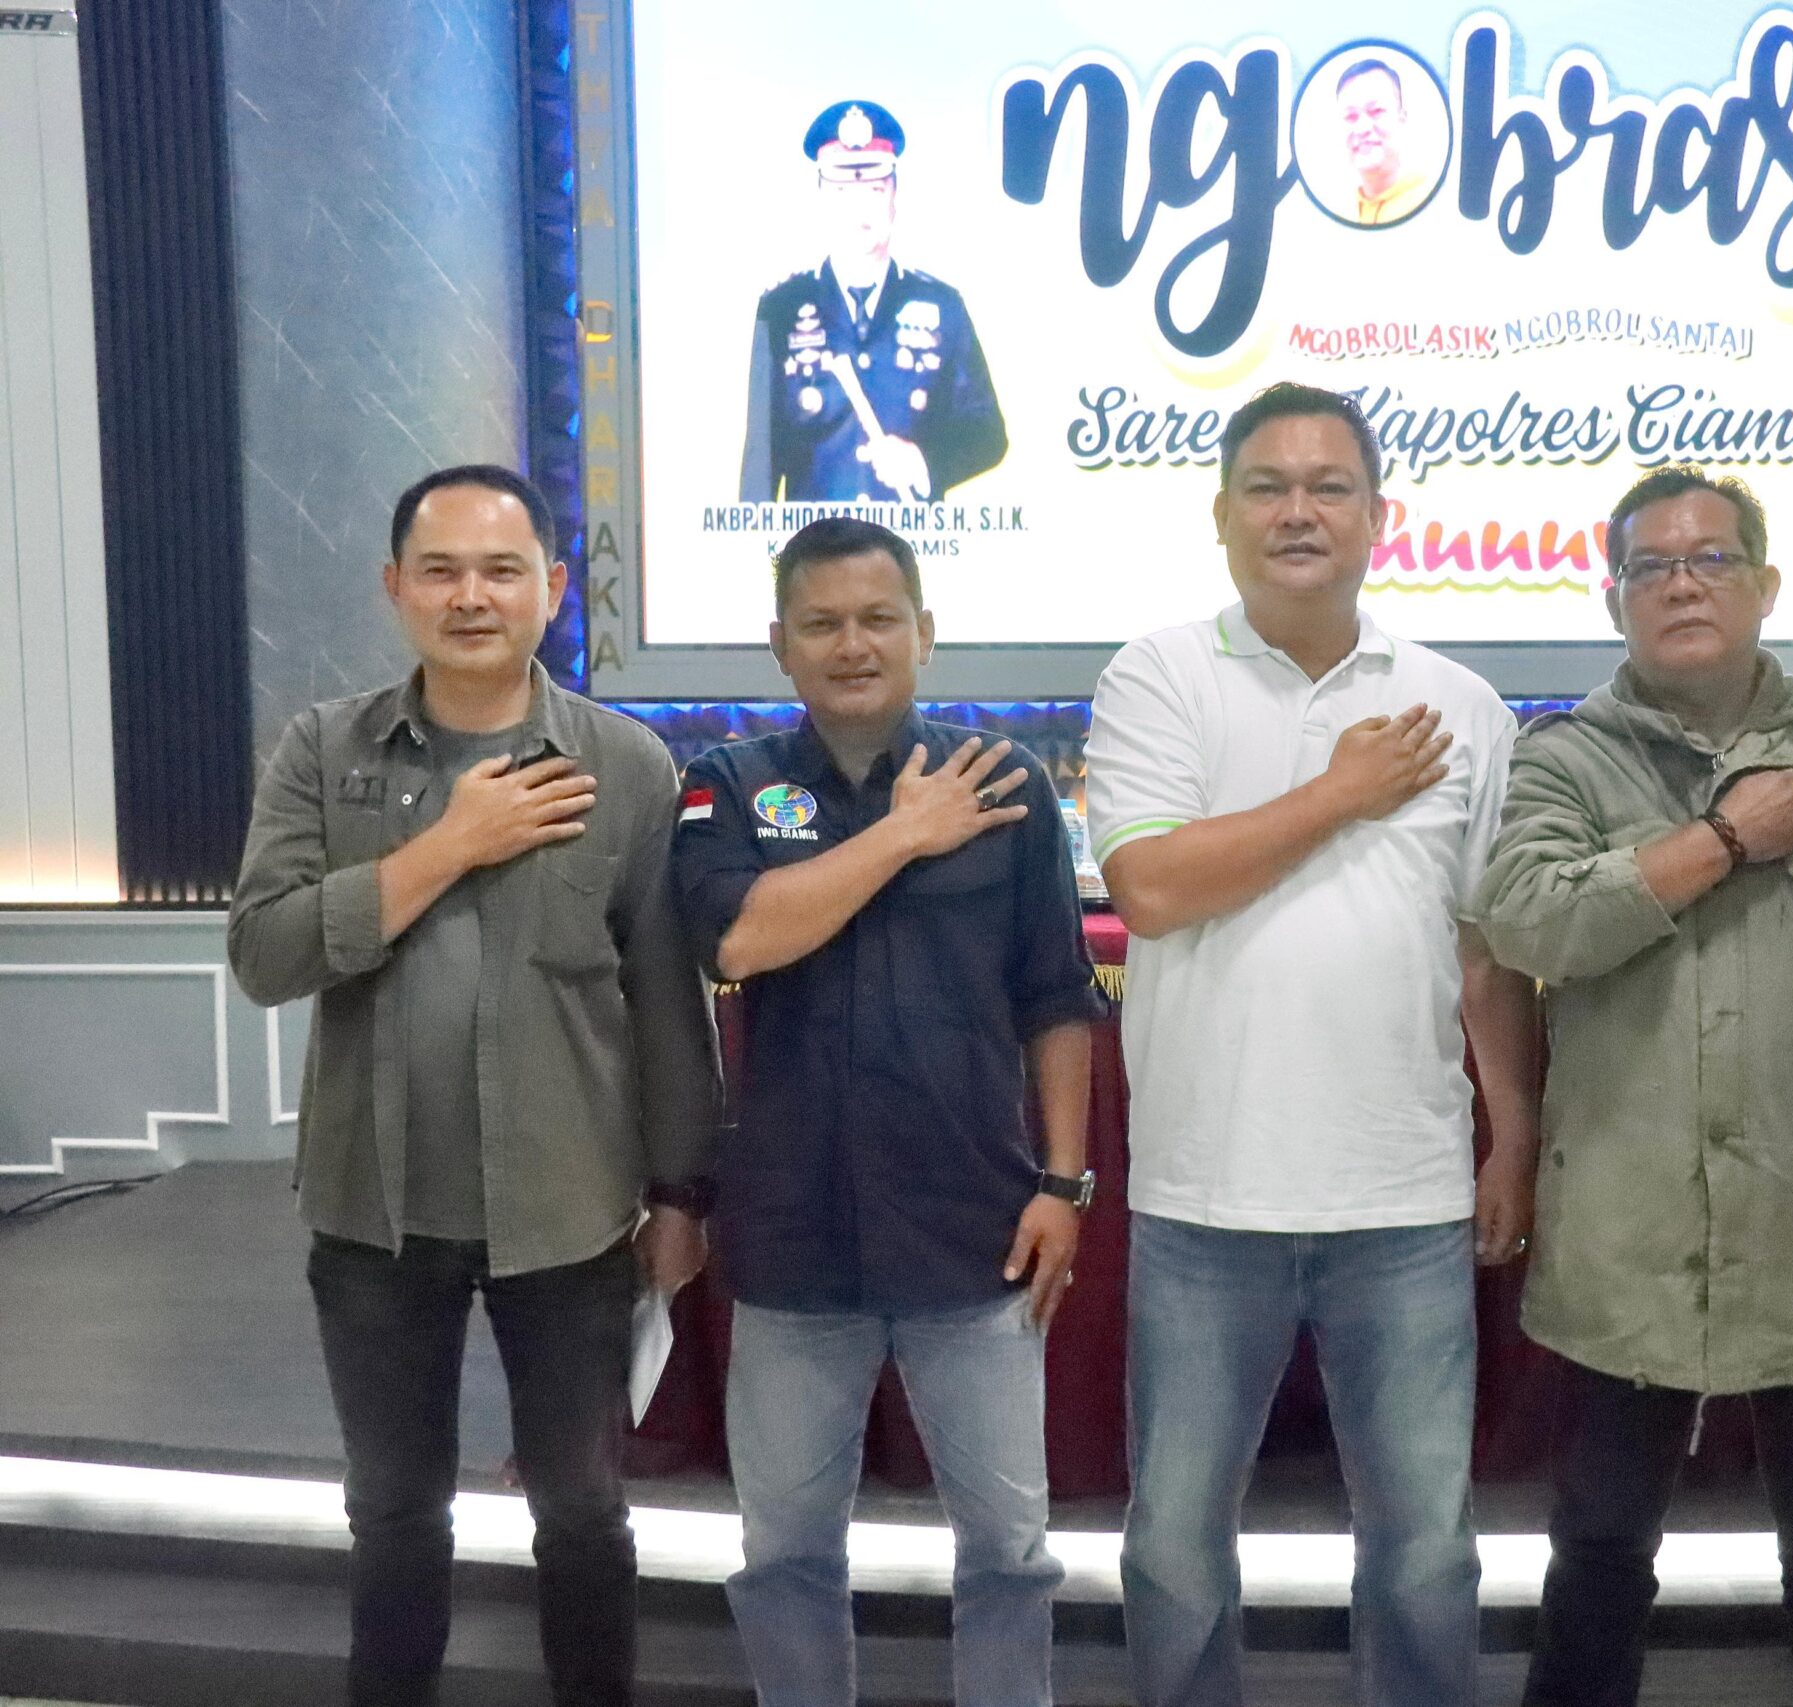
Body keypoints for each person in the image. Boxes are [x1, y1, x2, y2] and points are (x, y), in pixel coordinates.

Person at [1473, 466, 1793, 1707]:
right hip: (1625, 1229)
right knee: (1599, 1543)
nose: (1683, 585)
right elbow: (1529, 924)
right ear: (1614, 599)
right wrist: (1722, 841)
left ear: (1765, 585)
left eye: (1711, 559)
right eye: (1651, 567)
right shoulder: (1562, 761)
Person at [228, 464, 721, 1707]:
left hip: (571, 1212)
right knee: (394, 1512)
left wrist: (680, 1193)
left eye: (501, 571)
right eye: (440, 570)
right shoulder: (323, 750)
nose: (470, 597)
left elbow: (666, 1005)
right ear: (394, 587)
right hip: (374, 1213)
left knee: (583, 1511)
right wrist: (448, 845)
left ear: (552, 589)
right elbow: (266, 954)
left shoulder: (626, 765)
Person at [1085, 381, 1540, 1707]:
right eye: (1268, 487)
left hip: (1403, 1196)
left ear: (1379, 516)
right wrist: (1343, 790)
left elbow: (1484, 950)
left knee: (1425, 1551)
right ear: (1221, 515)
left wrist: (1513, 1135)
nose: (1299, 511)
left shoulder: (1459, 704)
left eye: (1329, 486)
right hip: (1203, 1194)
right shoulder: (1157, 674)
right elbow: (1152, 887)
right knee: (1175, 1547)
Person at [669, 515, 1101, 1706]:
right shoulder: (727, 784)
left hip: (974, 1232)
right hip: (794, 1239)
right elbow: (740, 940)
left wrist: (1064, 1184)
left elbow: (1056, 999)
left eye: (876, 619)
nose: (851, 644)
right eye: (821, 623)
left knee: (1009, 1555)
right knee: (787, 1555)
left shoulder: (1004, 785)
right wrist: (907, 835)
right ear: (780, 645)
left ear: (924, 632)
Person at [740, 99, 1007, 504]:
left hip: (911, 542)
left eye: (875, 190)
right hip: (817, 543)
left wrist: (922, 462)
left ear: (895, 198)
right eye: (842, 191)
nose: (859, 209)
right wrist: (752, 537)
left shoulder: (943, 306)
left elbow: (988, 434)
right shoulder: (781, 308)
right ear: (821, 199)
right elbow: (761, 461)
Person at [1335, 58, 1428, 226]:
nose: (1362, 128)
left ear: (1402, 119)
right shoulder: (1335, 212)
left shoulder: (1429, 200)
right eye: (1351, 116)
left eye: (1376, 111)